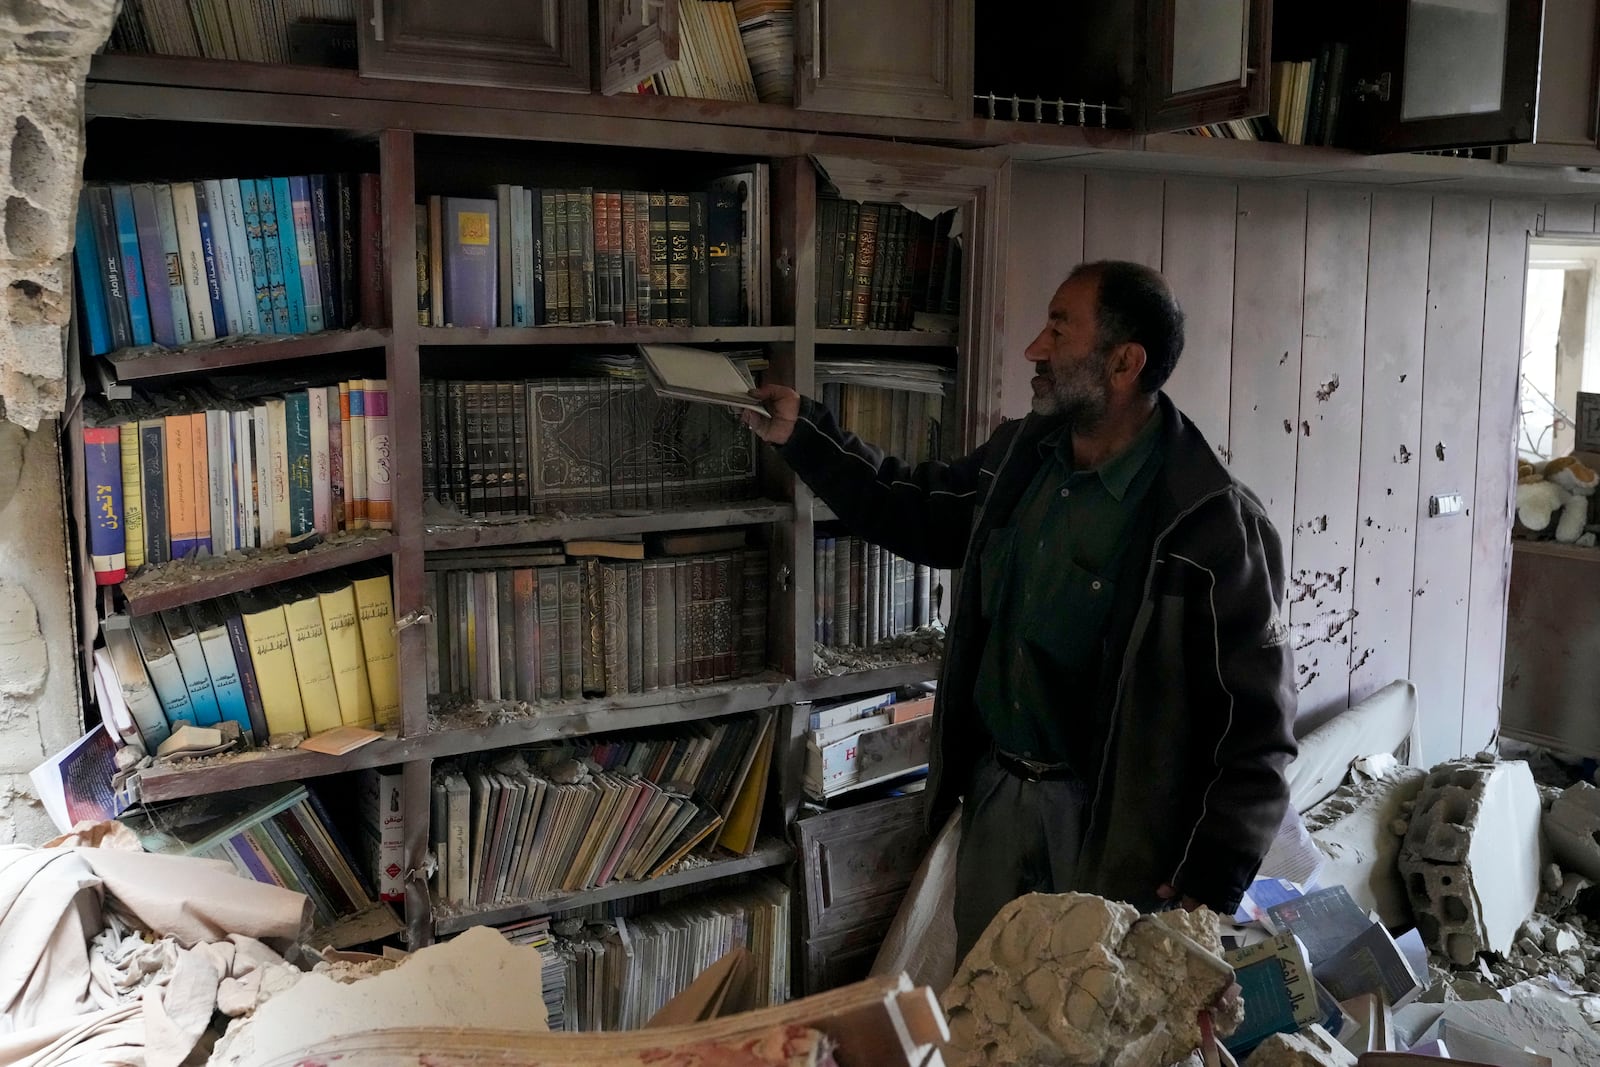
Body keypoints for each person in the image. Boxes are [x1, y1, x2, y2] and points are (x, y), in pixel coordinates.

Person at [744, 260, 1298, 960]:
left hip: (1114, 836)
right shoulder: (1019, 460)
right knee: (994, 1017)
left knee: (1089, 1034)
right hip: (999, 802)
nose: (1035, 348)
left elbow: (1258, 735)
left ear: (1124, 363)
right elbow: (914, 506)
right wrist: (803, 431)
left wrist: (1208, 882)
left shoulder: (1210, 523)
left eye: (1060, 330)